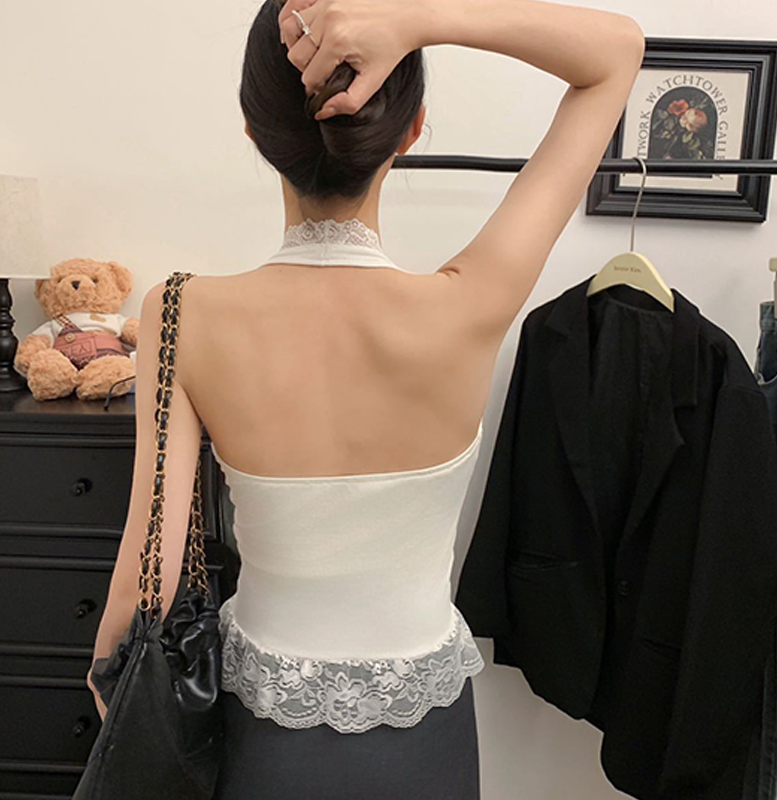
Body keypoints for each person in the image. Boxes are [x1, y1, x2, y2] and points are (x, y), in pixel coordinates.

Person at [87, 0, 645, 797]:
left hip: (259, 739)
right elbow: (617, 51)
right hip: (427, 742)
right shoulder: (470, 302)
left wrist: (116, 696)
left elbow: (147, 577)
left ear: (254, 133)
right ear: (411, 130)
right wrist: (418, 20)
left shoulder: (181, 311)